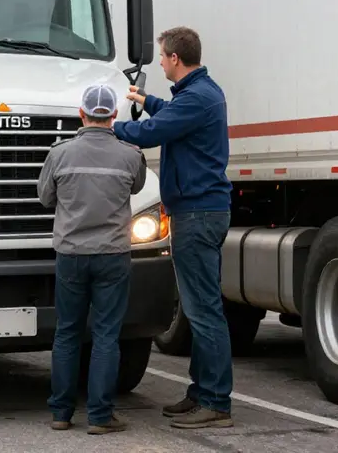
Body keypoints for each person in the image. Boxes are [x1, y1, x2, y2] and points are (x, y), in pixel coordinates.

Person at [112, 26, 234, 430]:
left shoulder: (196, 98)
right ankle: (201, 393)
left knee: (203, 311)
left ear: (175, 60)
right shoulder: (198, 93)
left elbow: (153, 132)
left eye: (162, 57)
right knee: (202, 307)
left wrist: (107, 128)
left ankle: (215, 401)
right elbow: (168, 115)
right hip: (202, 211)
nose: (160, 61)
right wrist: (146, 100)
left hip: (197, 215)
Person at [38, 83, 147, 435]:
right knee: (106, 336)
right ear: (114, 116)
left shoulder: (60, 153)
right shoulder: (131, 154)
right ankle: (100, 416)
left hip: (71, 253)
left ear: (81, 114)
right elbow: (137, 187)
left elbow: (44, 198)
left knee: (67, 333)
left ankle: (61, 413)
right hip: (113, 255)